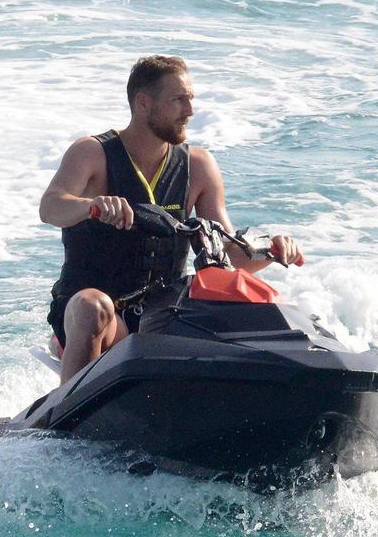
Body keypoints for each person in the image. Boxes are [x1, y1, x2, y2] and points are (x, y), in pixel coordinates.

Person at [39, 55, 303, 383]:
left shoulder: (198, 166)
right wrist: (91, 206)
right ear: (143, 103)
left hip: (164, 318)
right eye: (178, 100)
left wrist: (273, 250)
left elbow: (228, 256)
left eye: (191, 99)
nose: (190, 111)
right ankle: (68, 409)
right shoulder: (92, 153)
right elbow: (50, 207)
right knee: (94, 307)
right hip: (93, 317)